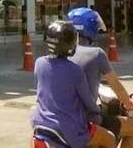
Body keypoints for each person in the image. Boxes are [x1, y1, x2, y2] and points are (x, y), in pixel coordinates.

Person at [31, 20, 115, 148]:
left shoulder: (39, 63)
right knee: (109, 138)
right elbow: (88, 102)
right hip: (69, 130)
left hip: (40, 124)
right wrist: (99, 110)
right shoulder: (75, 70)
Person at [68, 7, 133, 148]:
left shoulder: (58, 54)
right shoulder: (96, 54)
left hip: (58, 120)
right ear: (91, 28)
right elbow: (116, 85)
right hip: (86, 121)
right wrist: (129, 102)